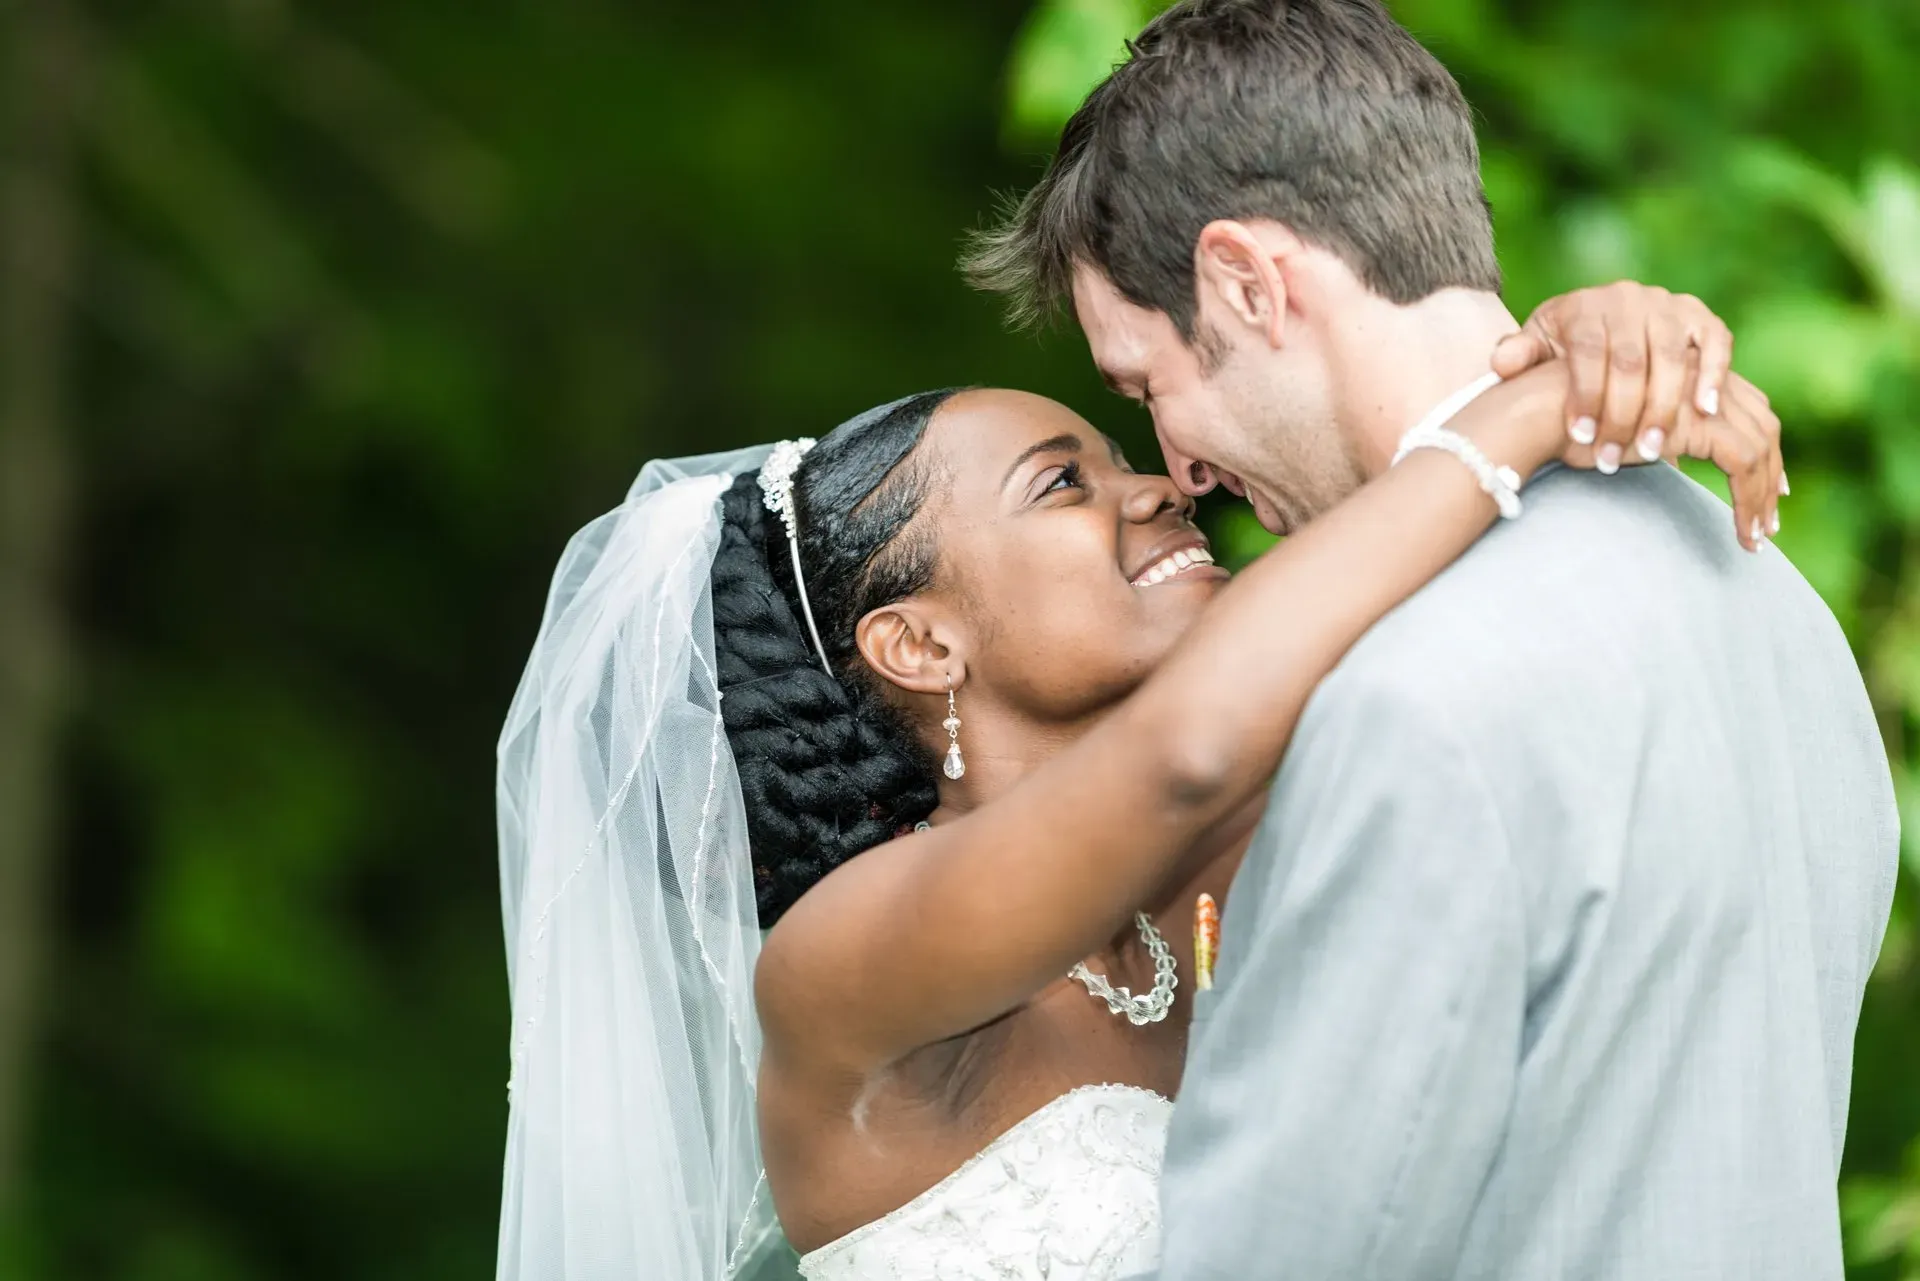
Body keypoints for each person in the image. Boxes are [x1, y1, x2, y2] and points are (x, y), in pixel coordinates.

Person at [495, 282, 1787, 1279]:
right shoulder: (842, 969)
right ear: (920, 643)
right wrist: (1511, 414)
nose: (1163, 487)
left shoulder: (1236, 856)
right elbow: (1186, 749)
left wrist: (1601, 336)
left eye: (1125, 457)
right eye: (1065, 483)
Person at [962, 2, 1901, 1278]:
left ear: (1246, 279)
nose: (1176, 465)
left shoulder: (1408, 696)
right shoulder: (1774, 601)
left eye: (1146, 384)